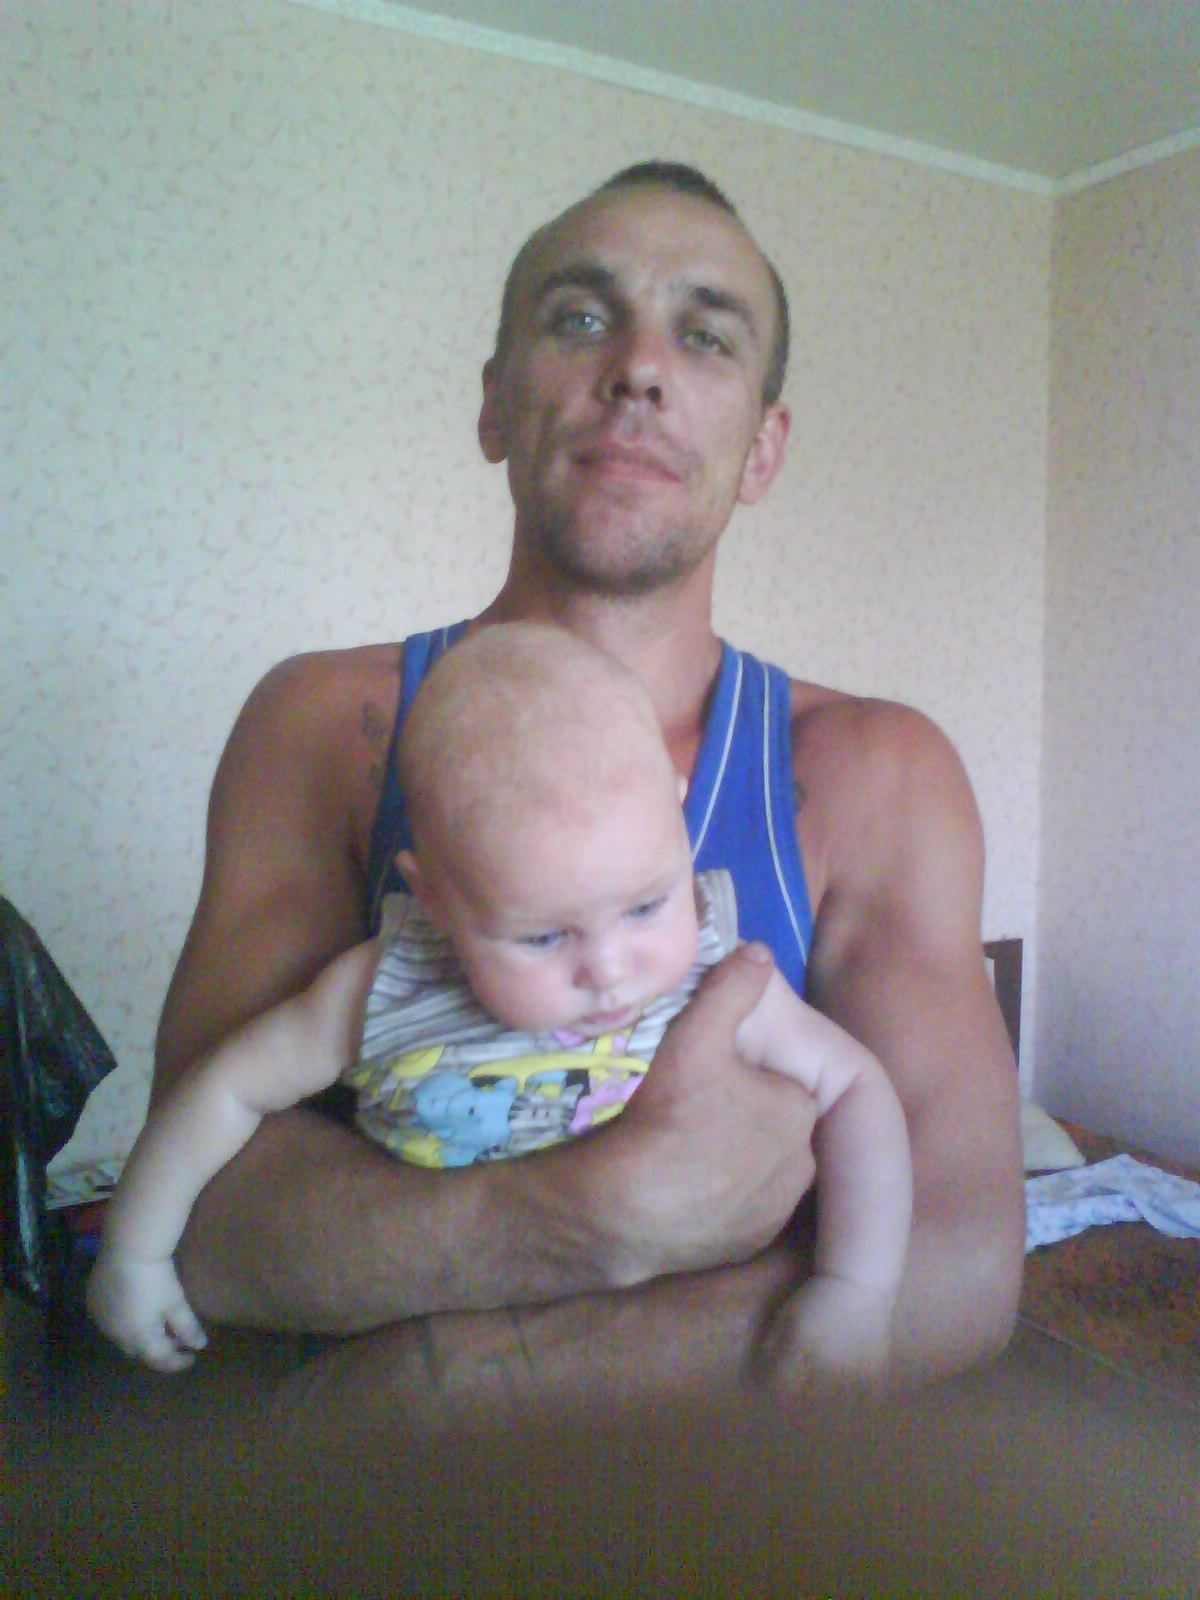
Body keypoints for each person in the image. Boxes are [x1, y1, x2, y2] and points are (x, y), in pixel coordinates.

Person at [152, 159, 1023, 1389]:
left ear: (763, 448)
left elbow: (961, 1264)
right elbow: (205, 1225)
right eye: (580, 317)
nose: (640, 368)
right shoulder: (322, 728)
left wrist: (459, 1382)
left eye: (706, 336)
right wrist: (595, 1212)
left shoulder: (881, 773)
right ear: (495, 403)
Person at [89, 625, 911, 1379]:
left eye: (646, 905)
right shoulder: (384, 985)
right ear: (436, 899)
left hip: (671, 1368)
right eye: (544, 937)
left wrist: (856, 1289)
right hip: (419, 1362)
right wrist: (135, 1252)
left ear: (679, 812)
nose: (611, 970)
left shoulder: (712, 975)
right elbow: (228, 1089)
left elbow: (854, 1085)